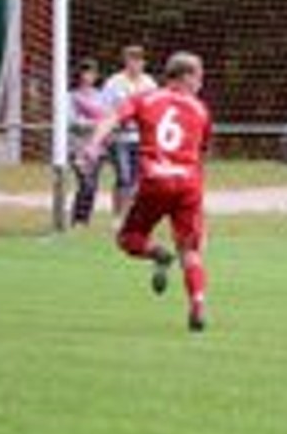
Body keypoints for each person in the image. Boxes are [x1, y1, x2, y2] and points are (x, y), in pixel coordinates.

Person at [80, 52, 213, 332]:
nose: (201, 81)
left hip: (156, 181)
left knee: (128, 239)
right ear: (184, 77)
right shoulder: (201, 110)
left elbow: (112, 118)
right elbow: (201, 155)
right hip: (188, 184)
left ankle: (158, 254)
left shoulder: (146, 99)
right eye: (198, 75)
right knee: (191, 251)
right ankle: (198, 303)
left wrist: (94, 145)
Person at [101, 45, 158, 221]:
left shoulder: (149, 83)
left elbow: (155, 107)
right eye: (132, 60)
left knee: (136, 179)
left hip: (140, 137)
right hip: (119, 138)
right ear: (126, 61)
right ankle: (117, 215)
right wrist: (111, 128)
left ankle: (130, 214)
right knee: (123, 177)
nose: (135, 64)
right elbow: (105, 108)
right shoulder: (114, 82)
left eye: (139, 60)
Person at [69, 58, 109, 226]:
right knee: (86, 183)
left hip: (97, 147)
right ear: (79, 75)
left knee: (93, 186)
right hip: (78, 147)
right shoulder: (71, 96)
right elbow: (71, 122)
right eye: (86, 72)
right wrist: (93, 124)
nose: (89, 76)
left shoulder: (101, 96)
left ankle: (84, 220)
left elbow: (108, 117)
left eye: (93, 72)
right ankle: (77, 218)